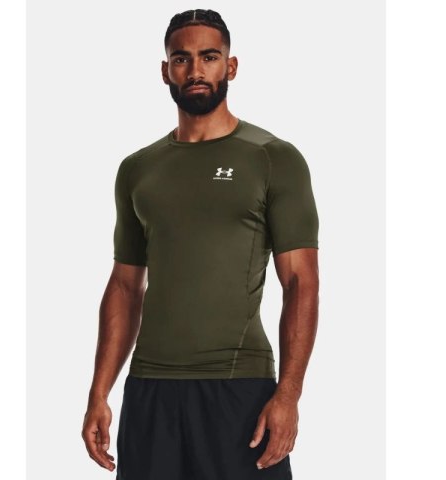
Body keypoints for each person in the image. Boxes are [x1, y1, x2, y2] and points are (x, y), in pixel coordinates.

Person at [82, 8, 320, 480]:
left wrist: (288, 395)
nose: (195, 70)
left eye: (209, 57)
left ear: (230, 66)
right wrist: (99, 393)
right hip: (150, 390)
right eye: (181, 59)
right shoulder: (137, 169)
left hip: (239, 390)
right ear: (165, 70)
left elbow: (300, 282)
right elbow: (125, 287)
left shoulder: (272, 158)